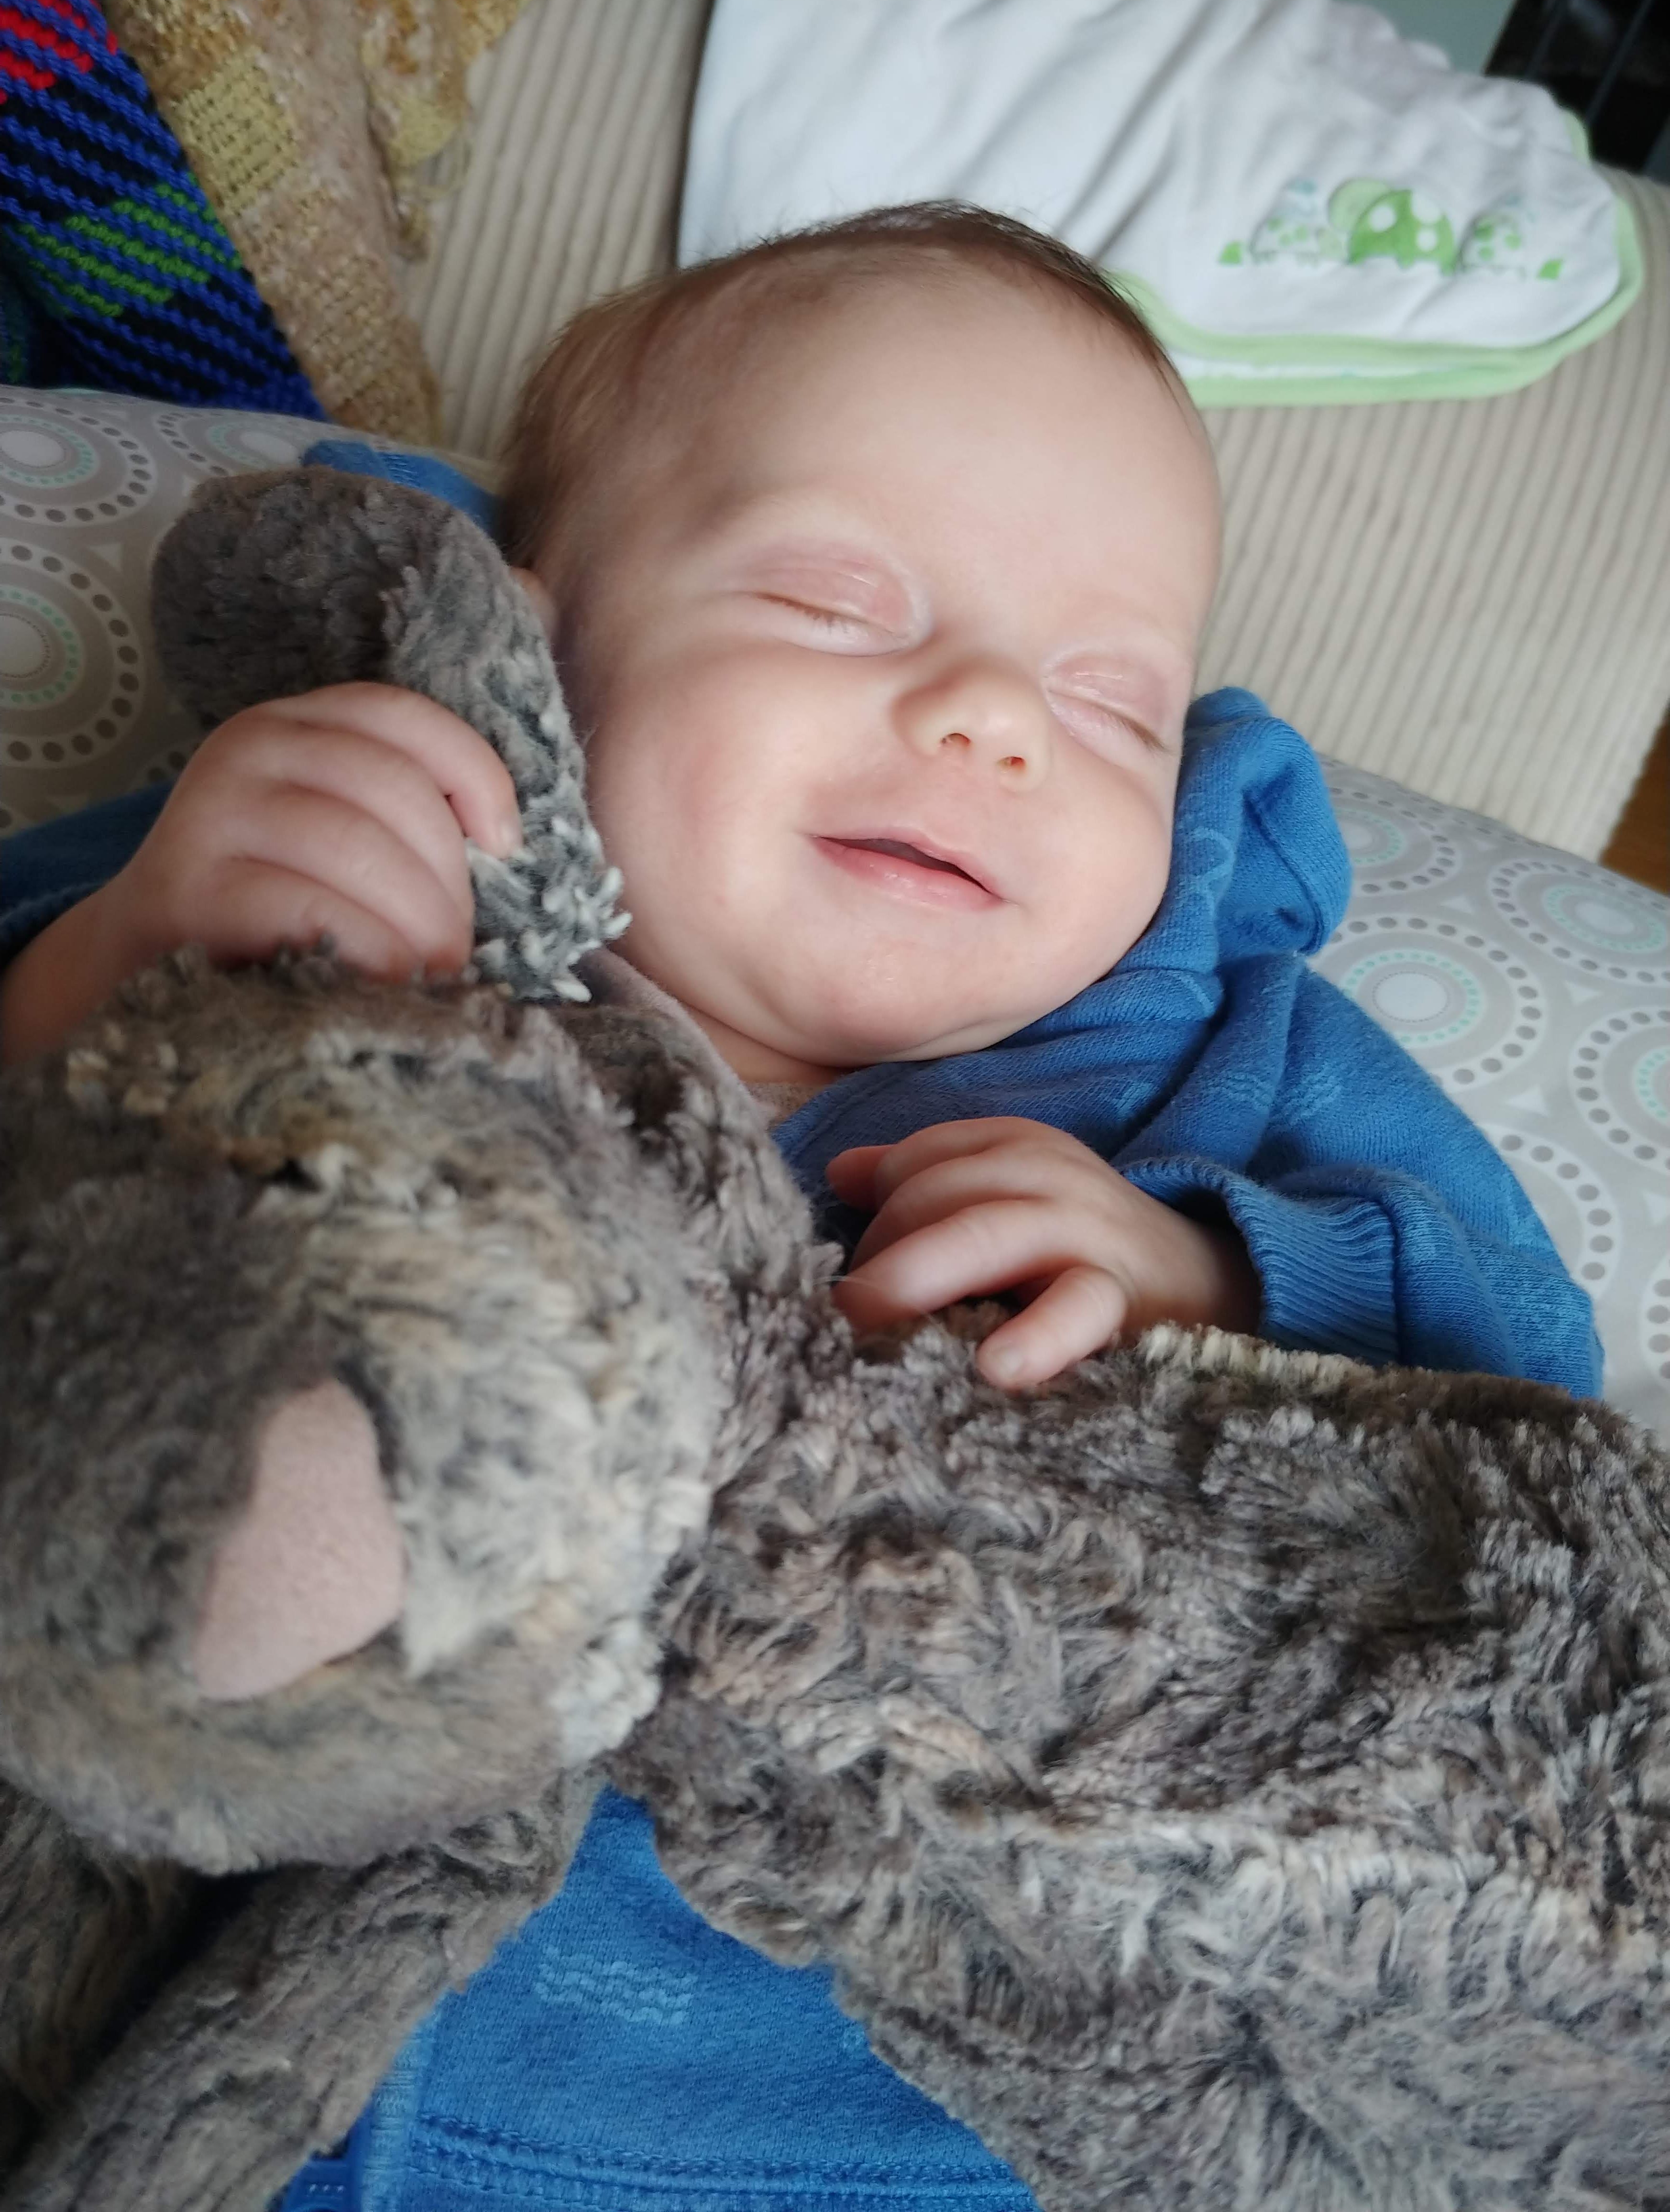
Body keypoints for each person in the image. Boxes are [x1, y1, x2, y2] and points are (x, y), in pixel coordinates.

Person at [0, 205, 1600, 2207]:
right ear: (540, 639)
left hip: (888, 2101)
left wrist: (1208, 1276)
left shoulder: (1220, 1053)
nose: (994, 718)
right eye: (838, 602)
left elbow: (1526, 1384)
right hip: (250, 2033)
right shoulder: (354, 864)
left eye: (1111, 702)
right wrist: (122, 962)